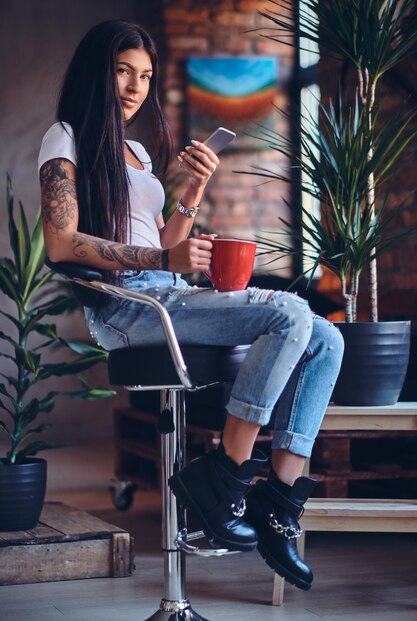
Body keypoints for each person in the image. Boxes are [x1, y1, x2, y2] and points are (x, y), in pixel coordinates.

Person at [38, 20, 344, 591]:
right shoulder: (66, 138)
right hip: (131, 309)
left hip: (167, 292)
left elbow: (167, 245)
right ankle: (223, 478)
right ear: (96, 73)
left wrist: (193, 194)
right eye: (123, 71)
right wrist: (163, 258)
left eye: (145, 76)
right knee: (288, 313)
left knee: (328, 336)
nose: (135, 86)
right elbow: (61, 244)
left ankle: (278, 505)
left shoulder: (133, 150)